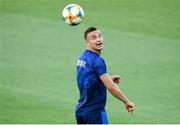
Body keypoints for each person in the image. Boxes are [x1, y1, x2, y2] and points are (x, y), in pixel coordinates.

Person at [75, 27, 135, 124]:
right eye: (94, 38)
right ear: (87, 42)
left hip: (81, 110)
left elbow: (86, 81)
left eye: (99, 36)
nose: (98, 39)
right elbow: (111, 87)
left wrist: (107, 79)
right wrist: (126, 101)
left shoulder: (82, 58)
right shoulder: (97, 61)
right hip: (95, 113)